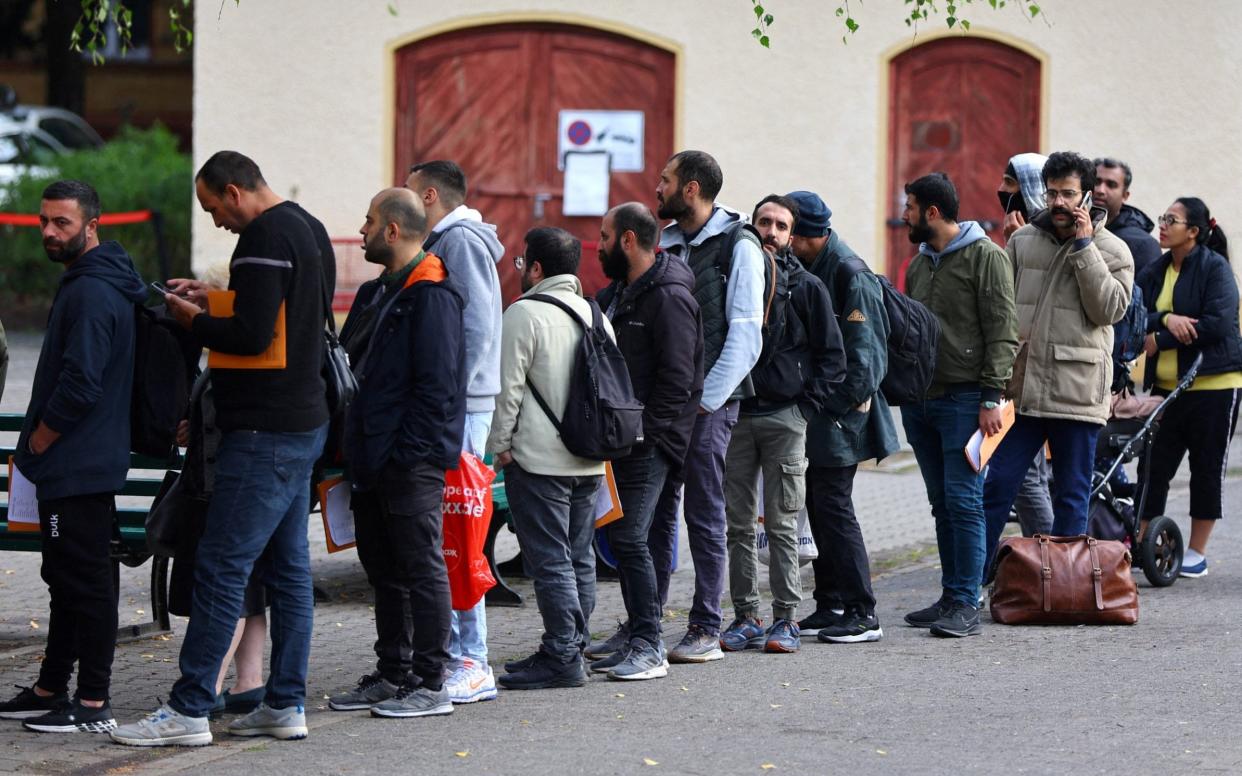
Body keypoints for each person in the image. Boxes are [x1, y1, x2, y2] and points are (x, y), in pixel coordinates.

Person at [112, 151, 333, 746]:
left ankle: (187, 712)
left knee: (221, 566)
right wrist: (212, 299)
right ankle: (285, 705)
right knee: (288, 571)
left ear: (234, 192)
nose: (216, 223)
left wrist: (191, 320)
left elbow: (254, 335)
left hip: (262, 432)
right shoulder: (305, 227)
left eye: (214, 209)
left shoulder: (262, 236)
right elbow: (283, 315)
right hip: (303, 421)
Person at [0, 180, 146, 733]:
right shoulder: (92, 280)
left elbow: (81, 383)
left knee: (85, 581)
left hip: (78, 464)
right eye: (44, 221)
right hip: (81, 462)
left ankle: (90, 703)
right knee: (67, 577)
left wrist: (40, 440)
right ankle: (49, 687)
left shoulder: (91, 292)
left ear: (92, 226)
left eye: (61, 223)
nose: (48, 232)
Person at [328, 188, 466, 718]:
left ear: (392, 230)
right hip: (368, 457)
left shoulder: (432, 293)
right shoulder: (374, 294)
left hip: (409, 462)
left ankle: (432, 682)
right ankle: (394, 673)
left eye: (367, 222)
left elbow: (437, 389)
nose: (360, 231)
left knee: (421, 566)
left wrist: (406, 456)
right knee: (383, 568)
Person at [982, 151, 1134, 582]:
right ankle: (971, 584)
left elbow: (1108, 309)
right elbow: (1003, 312)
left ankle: (1067, 589)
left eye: (1069, 193)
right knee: (996, 487)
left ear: (1087, 194)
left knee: (1071, 496)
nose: (1060, 202)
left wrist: (1085, 247)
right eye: (1052, 193)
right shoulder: (1024, 240)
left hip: (1077, 392)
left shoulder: (1114, 250)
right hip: (1026, 392)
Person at [642, 150, 764, 664]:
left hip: (710, 408)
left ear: (690, 189)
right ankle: (644, 624)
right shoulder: (666, 244)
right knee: (654, 515)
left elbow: (745, 335)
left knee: (705, 514)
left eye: (665, 180)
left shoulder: (740, 245)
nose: (657, 188)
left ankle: (705, 627)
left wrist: (706, 402)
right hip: (664, 407)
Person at [719, 194, 844, 654]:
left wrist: (803, 410)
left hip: (785, 419)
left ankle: (786, 619)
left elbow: (834, 358)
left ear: (792, 235)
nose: (770, 231)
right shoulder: (732, 279)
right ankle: (745, 615)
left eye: (781, 225)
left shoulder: (808, 287)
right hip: (737, 418)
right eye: (764, 222)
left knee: (782, 525)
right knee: (736, 525)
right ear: (751, 227)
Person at [488, 227, 608, 690]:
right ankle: (570, 646)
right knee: (578, 556)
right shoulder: (594, 314)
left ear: (536, 268)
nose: (520, 271)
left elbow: (508, 390)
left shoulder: (525, 314)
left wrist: (500, 447)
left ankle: (561, 654)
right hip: (589, 458)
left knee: (550, 561)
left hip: (539, 461)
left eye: (521, 263)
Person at [900, 172, 1018, 638]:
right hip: (923, 400)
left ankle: (968, 602)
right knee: (942, 504)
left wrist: (992, 395)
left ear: (932, 211)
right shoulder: (920, 263)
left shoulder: (985, 256)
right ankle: (951, 595)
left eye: (910, 207)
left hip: (968, 399)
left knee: (965, 502)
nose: (905, 215)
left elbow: (1003, 330)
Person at [591, 202, 703, 679]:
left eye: (603, 237)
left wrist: (648, 434)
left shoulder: (669, 296)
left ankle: (649, 645)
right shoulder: (620, 292)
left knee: (630, 538)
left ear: (628, 241)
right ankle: (639, 631)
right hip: (622, 438)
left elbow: (679, 380)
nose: (597, 246)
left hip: (649, 442)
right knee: (629, 538)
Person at [405, 160, 504, 703]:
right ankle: (458, 654)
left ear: (429, 195)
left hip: (461, 407)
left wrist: (449, 395)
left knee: (461, 533)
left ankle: (474, 659)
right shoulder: (451, 239)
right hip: (458, 405)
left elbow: (480, 324)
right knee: (449, 533)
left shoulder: (458, 241)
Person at [786, 190, 898, 643]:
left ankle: (862, 611)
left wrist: (824, 406)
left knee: (834, 507)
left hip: (841, 417)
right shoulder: (813, 267)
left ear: (810, 235)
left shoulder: (851, 273)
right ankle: (830, 601)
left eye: (791, 233)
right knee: (819, 505)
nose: (784, 242)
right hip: (823, 414)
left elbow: (866, 363)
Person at [1137, 198, 1241, 578]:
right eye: (1163, 218)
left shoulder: (1216, 270)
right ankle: (1143, 541)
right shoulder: (1155, 270)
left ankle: (1197, 552)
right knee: (1154, 467)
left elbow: (1216, 323)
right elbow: (1134, 313)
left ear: (1194, 232)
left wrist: (1160, 338)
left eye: (1171, 220)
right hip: (1166, 389)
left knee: (1206, 467)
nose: (1162, 225)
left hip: (1214, 384)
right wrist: (1166, 318)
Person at [996, 152, 1056, 540]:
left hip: (1036, 374)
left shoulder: (1043, 237)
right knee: (1015, 477)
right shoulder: (1020, 234)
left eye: (1011, 182)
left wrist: (1012, 246)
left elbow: (1014, 300)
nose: (1002, 190)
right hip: (1014, 374)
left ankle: (1053, 560)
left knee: (1026, 478)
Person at [1093, 157, 1161, 278]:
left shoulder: (1144, 245)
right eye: (1096, 182)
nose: (1100, 190)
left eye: (1111, 185)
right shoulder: (1069, 229)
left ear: (1125, 195)